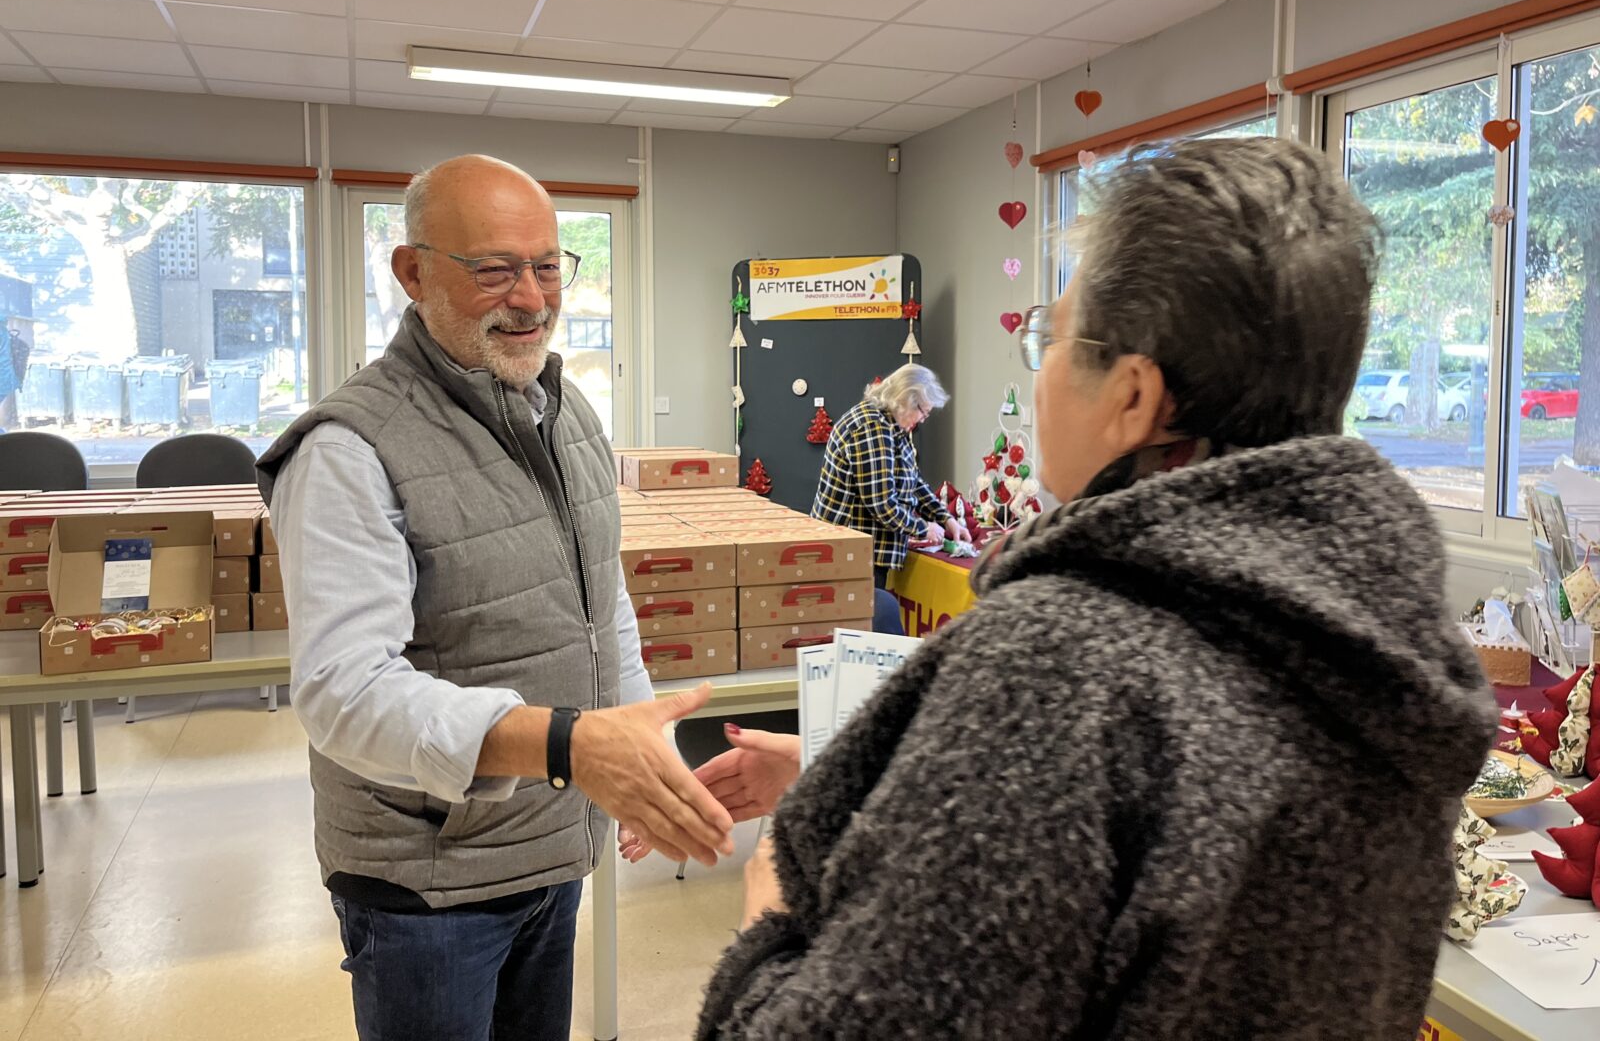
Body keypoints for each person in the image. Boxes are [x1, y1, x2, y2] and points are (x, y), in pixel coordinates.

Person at [689, 139, 1496, 1039]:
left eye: (1051, 338)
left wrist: (773, 903)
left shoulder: (1060, 658)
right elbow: (1170, 837)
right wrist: (917, 791)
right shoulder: (1386, 645)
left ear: (1134, 396)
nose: (1039, 373)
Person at [257, 154, 733, 1041]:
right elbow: (342, 692)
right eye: (493, 270)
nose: (531, 297)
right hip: (427, 888)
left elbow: (603, 605)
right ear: (412, 271)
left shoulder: (567, 412)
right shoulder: (349, 448)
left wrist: (637, 754)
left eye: (548, 266)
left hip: (550, 844)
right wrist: (567, 744)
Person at [811, 364, 969, 633]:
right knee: (860, 631)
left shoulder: (892, 426)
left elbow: (913, 481)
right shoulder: (870, 428)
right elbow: (882, 504)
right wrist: (924, 528)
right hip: (851, 552)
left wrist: (945, 519)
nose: (923, 419)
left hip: (869, 549)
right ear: (905, 399)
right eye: (922, 411)